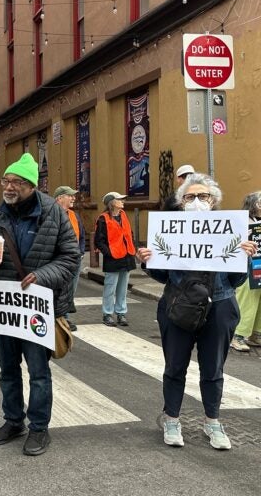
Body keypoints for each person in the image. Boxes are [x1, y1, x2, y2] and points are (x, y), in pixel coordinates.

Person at [136, 173, 257, 449]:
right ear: (181, 202)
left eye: (203, 196)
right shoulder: (169, 230)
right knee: (175, 366)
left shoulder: (231, 231)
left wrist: (244, 259)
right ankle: (172, 418)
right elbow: (161, 275)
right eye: (190, 197)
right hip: (178, 306)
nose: (197, 201)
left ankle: (212, 421)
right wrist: (145, 260)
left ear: (213, 201)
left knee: (213, 368)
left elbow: (236, 282)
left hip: (220, 306)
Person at [0, 153, 80, 456]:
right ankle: (13, 420)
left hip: (37, 307)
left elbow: (70, 257)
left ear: (31, 186)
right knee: (7, 369)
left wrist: (42, 275)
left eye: (16, 182)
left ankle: (38, 428)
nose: (8, 187)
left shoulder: (53, 213)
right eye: (5, 181)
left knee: (38, 371)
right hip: (7, 308)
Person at [94, 191, 137, 327]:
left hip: (127, 257)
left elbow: (129, 234)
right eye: (119, 199)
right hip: (113, 258)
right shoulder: (103, 219)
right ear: (112, 203)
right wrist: (109, 253)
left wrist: (132, 248)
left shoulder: (123, 216)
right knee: (110, 287)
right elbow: (99, 241)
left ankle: (121, 313)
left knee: (123, 288)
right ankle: (107, 314)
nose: (123, 201)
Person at [230, 190, 261, 352]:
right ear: (255, 205)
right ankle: (238, 335)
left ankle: (256, 333)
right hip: (248, 265)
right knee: (247, 299)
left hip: (260, 265)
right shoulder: (243, 222)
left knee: (259, 299)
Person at [54, 186, 86, 331]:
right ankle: (59, 318)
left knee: (70, 289)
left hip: (75, 258)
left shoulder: (73, 215)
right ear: (60, 198)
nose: (73, 198)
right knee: (60, 289)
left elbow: (82, 234)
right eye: (70, 196)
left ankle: (65, 317)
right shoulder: (51, 214)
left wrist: (81, 251)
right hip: (59, 260)